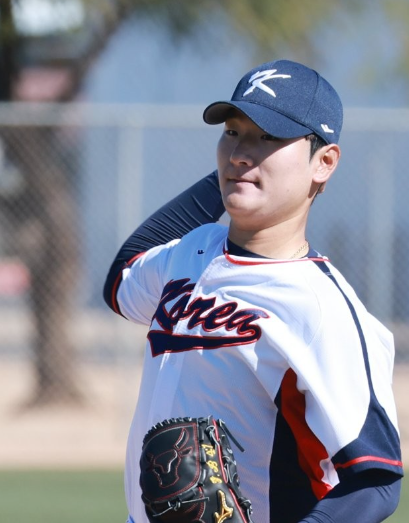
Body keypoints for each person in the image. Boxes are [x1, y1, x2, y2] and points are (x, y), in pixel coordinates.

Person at [103, 59, 403, 523]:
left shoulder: (320, 308)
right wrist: (239, 174)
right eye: (232, 132)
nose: (241, 152)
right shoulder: (189, 252)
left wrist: (245, 173)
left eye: (268, 137)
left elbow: (375, 480)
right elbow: (122, 280)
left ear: (324, 162)